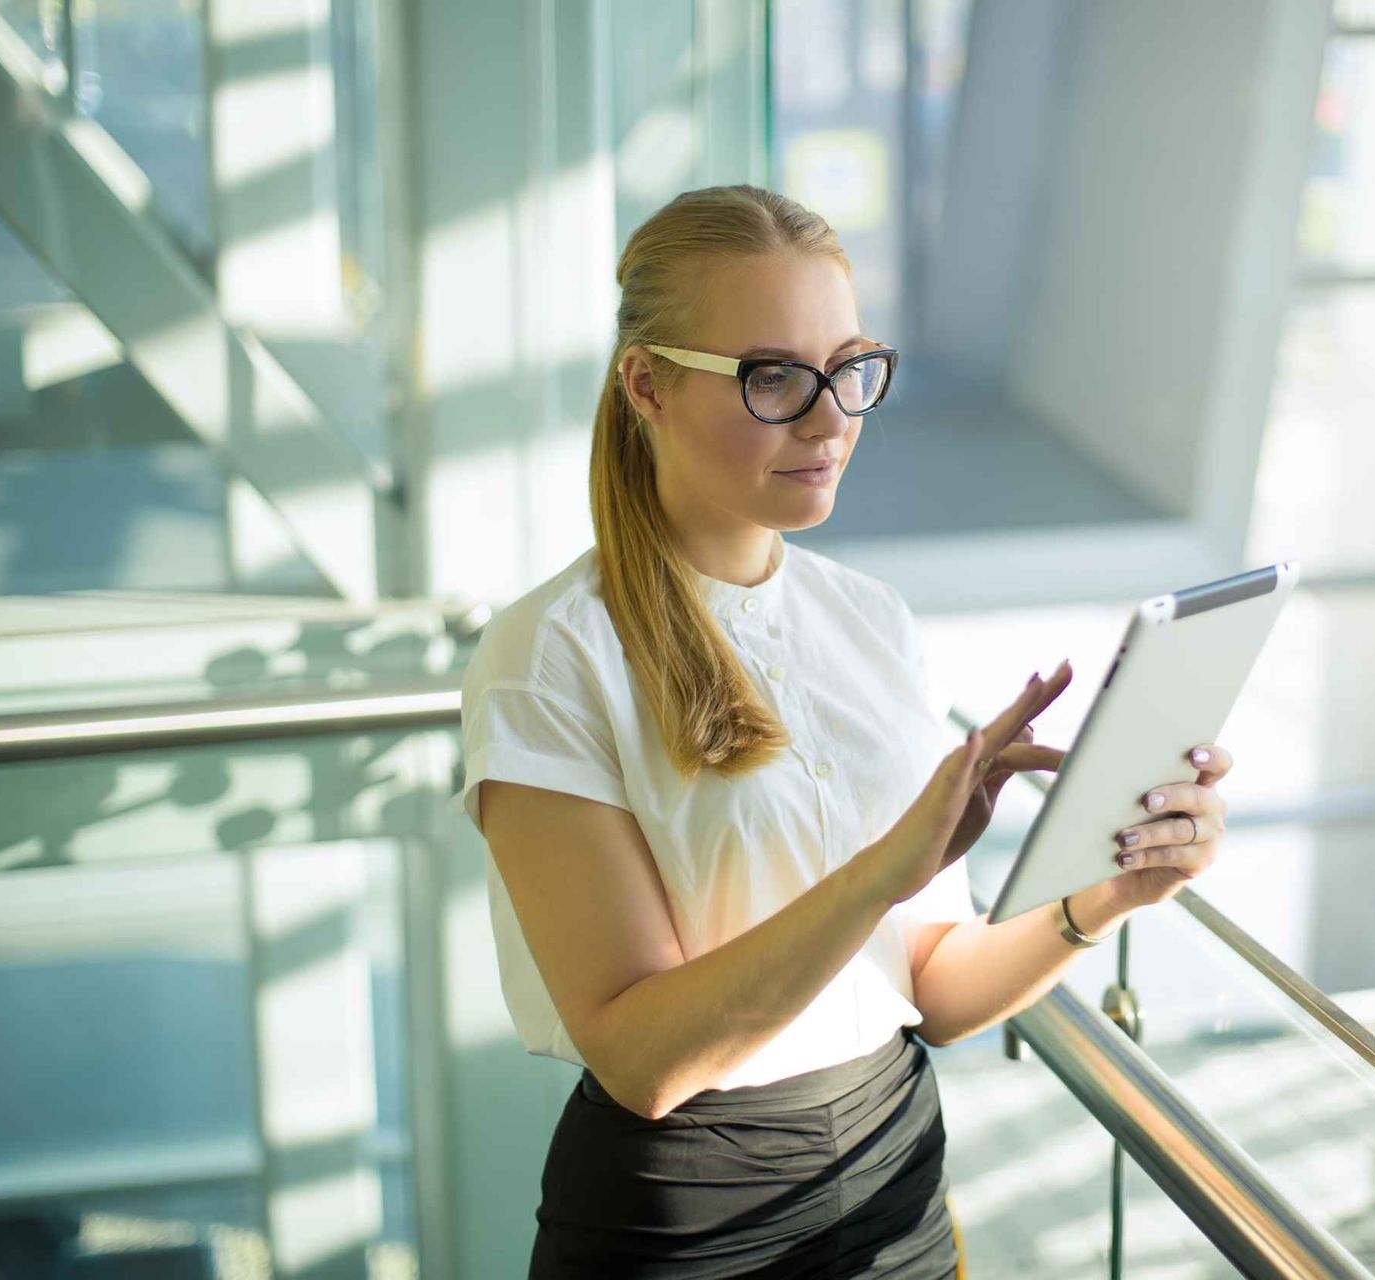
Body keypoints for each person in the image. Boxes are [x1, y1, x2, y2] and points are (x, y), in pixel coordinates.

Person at [456, 184, 1235, 1278]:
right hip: (688, 1221)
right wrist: (880, 870)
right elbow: (641, 1060)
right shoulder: (551, 655)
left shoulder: (870, 619)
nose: (831, 419)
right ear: (647, 384)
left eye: (851, 366)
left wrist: (1111, 892)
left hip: (896, 1175)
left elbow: (935, 986)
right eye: (774, 377)